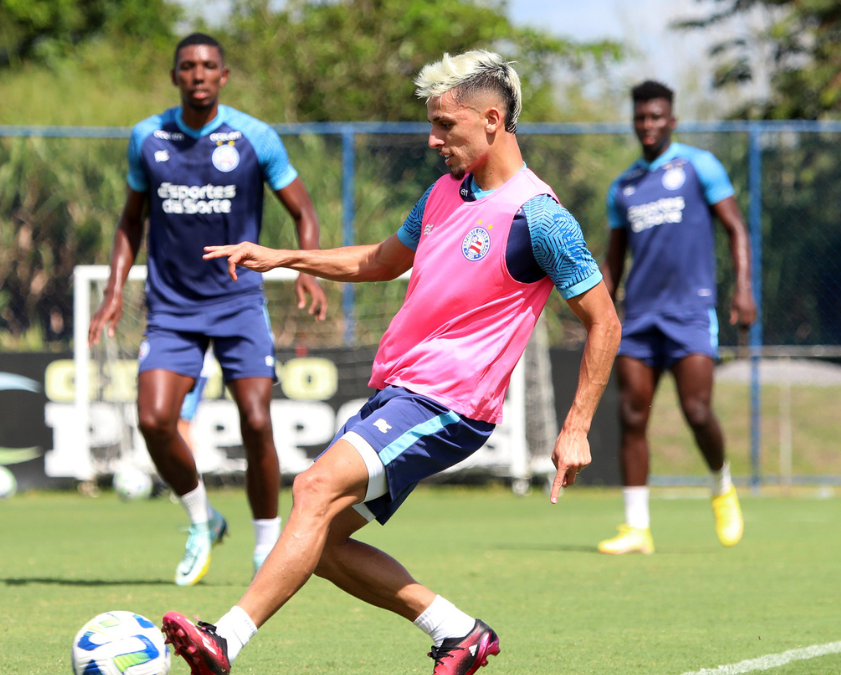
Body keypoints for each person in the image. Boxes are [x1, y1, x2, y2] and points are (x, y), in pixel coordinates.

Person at [160, 50, 621, 675]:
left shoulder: (540, 217)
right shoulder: (441, 193)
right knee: (320, 541)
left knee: (314, 489)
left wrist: (575, 428)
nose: (434, 140)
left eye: (445, 126)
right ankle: (458, 633)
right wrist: (285, 256)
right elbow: (379, 260)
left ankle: (225, 641)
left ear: (492, 120)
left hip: (449, 405)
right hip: (401, 393)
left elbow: (605, 322)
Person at [88, 32, 327, 586]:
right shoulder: (148, 137)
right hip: (172, 307)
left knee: (257, 419)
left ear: (223, 77)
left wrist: (307, 270)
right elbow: (130, 222)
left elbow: (304, 211)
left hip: (238, 302)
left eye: (208, 66)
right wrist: (112, 291)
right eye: (188, 66)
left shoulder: (254, 137)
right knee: (152, 420)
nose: (198, 74)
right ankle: (202, 519)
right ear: (175, 77)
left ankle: (267, 542)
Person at [598, 81, 757, 555]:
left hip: (690, 311)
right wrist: (596, 311)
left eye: (656, 117)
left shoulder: (698, 165)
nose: (648, 125)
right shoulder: (622, 187)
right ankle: (636, 528)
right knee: (631, 416)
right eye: (641, 118)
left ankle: (720, 484)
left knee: (697, 410)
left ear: (672, 119)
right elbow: (613, 265)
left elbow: (736, 229)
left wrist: (744, 289)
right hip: (640, 317)